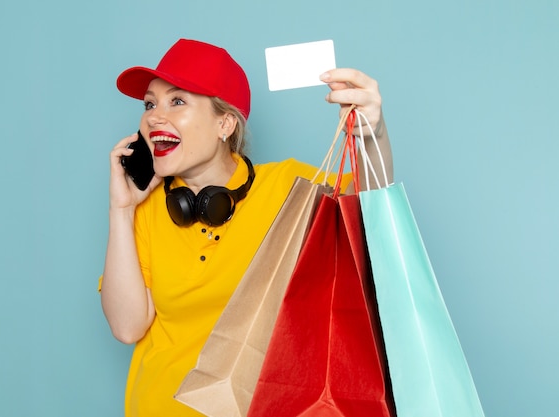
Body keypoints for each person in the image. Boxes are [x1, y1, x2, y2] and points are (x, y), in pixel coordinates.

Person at [100, 38, 394, 416]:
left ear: (225, 123)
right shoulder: (146, 209)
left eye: (177, 101)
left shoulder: (289, 188)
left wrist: (373, 134)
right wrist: (121, 209)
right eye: (149, 104)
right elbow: (127, 327)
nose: (154, 117)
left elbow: (373, 213)